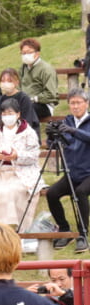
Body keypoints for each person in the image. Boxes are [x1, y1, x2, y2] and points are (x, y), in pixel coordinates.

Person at [0, 98, 44, 232]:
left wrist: (17, 155)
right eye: (4, 114)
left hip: (21, 172)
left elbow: (34, 155)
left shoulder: (28, 132)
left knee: (14, 191)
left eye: (10, 113)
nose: (7, 117)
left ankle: (16, 227)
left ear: (18, 114)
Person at [46, 88, 90, 253]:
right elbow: (56, 145)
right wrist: (52, 137)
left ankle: (82, 234)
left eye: (79, 102)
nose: (76, 106)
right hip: (72, 172)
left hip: (89, 173)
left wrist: (74, 131)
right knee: (52, 193)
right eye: (72, 103)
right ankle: (64, 230)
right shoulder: (67, 121)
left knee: (80, 192)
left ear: (86, 104)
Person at [19, 38, 58, 122]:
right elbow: (18, 87)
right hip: (25, 103)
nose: (26, 55)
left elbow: (51, 94)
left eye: (29, 52)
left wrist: (34, 99)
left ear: (37, 53)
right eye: (23, 53)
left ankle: (29, 134)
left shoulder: (46, 69)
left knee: (25, 110)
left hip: (43, 105)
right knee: (6, 108)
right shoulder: (23, 68)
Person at [0, 68, 39, 137]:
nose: (5, 83)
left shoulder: (24, 98)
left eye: (9, 81)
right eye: (2, 81)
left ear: (16, 82)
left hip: (25, 135)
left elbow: (28, 121)